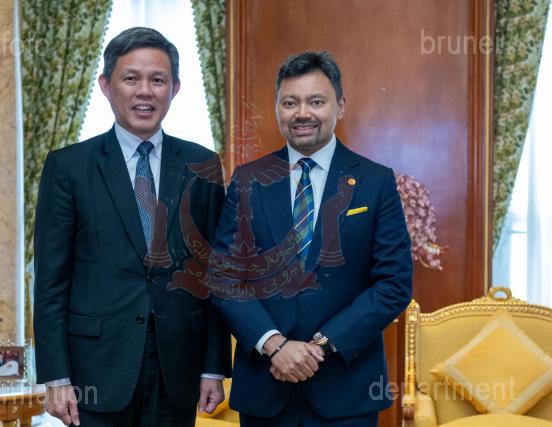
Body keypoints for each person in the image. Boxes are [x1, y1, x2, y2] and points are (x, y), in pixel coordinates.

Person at [34, 27, 231, 427]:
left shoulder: (203, 165)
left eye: (157, 80)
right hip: (96, 368)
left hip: (177, 369)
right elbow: (51, 281)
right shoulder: (68, 167)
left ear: (174, 88)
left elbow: (214, 274)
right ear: (106, 86)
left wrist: (213, 366)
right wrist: (56, 376)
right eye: (131, 78)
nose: (145, 91)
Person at [211, 51, 413, 426]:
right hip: (265, 388)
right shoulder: (248, 180)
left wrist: (319, 346)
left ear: (341, 105)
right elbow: (224, 277)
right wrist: (275, 345)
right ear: (277, 108)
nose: (302, 113)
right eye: (290, 103)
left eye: (316, 101)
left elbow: (393, 283)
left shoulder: (375, 181)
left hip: (346, 390)